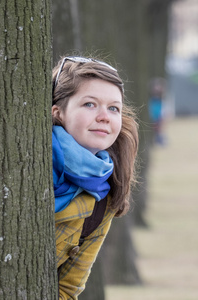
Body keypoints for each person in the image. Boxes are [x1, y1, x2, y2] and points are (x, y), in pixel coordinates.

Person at [52, 56, 138, 299]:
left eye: (114, 108)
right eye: (90, 104)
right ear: (58, 112)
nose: (104, 116)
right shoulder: (28, 162)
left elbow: (68, 288)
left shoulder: (104, 196)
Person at [148, 77, 166, 145]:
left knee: (158, 129)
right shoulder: (150, 98)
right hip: (152, 116)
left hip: (158, 116)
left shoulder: (161, 99)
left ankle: (159, 139)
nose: (157, 88)